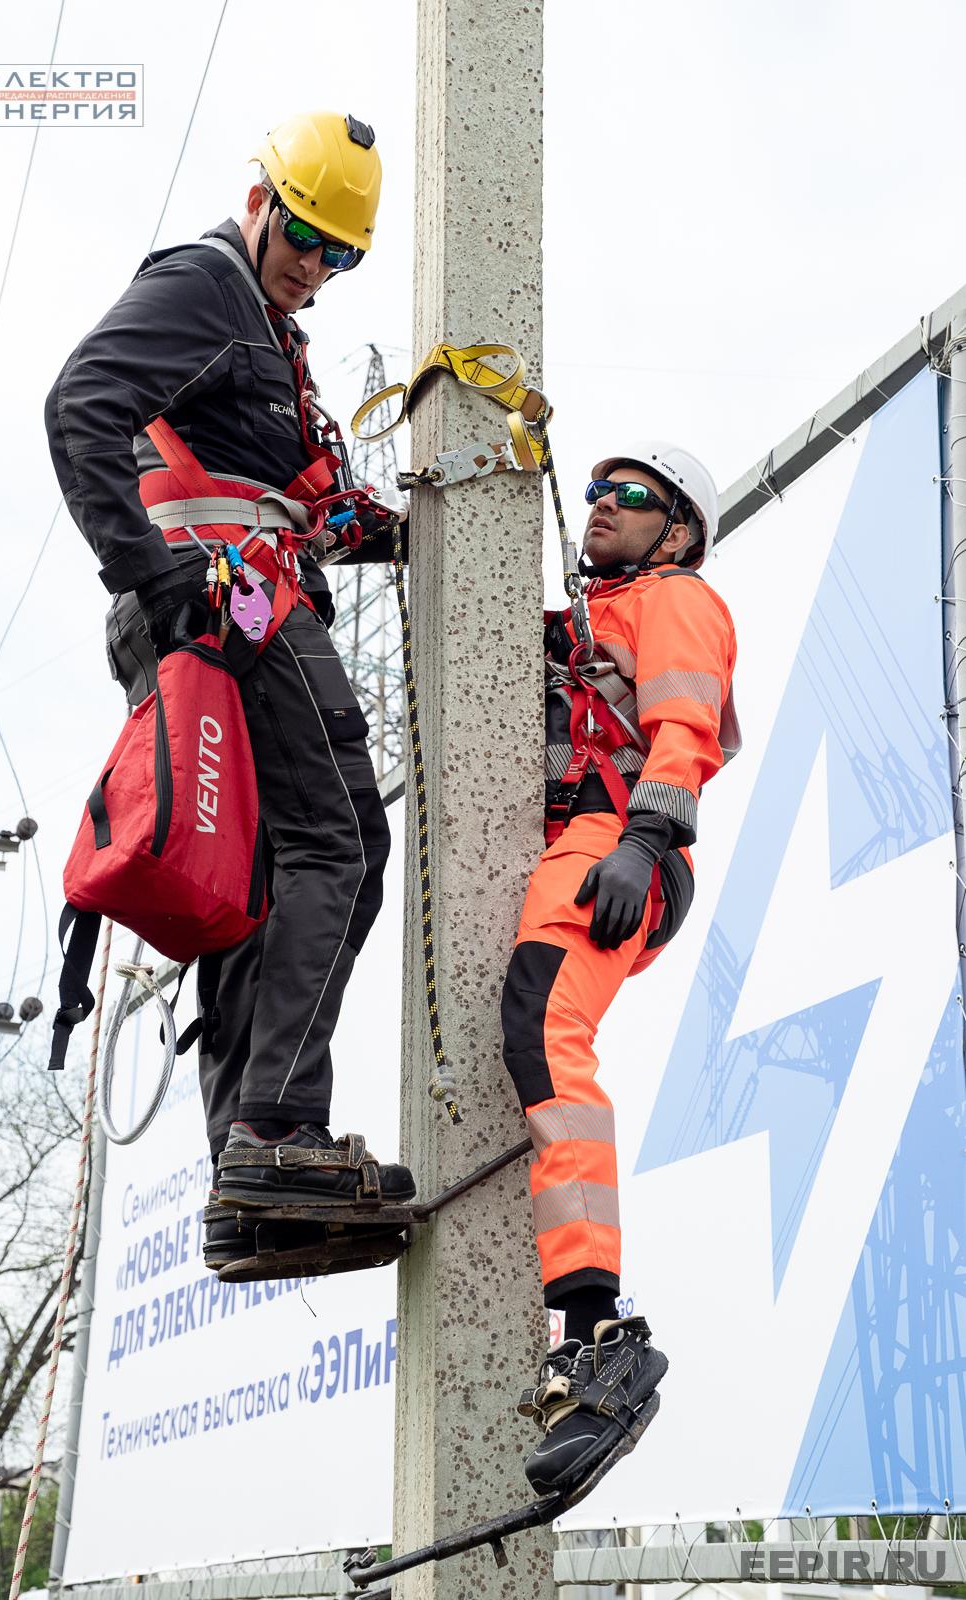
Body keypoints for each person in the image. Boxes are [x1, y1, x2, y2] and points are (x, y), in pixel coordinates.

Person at [45, 111, 415, 1269]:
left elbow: (293, 492)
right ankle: (278, 1129)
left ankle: (247, 1182)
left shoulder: (268, 331)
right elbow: (79, 406)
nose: (312, 265)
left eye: (337, 253)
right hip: (228, 609)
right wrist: (151, 579)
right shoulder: (207, 285)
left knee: (255, 884)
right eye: (302, 233)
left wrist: (435, 525)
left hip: (227, 605)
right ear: (259, 197)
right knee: (342, 839)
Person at [500, 442, 741, 1497]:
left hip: (616, 838)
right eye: (594, 491)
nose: (601, 504)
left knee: (545, 1028)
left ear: (675, 528)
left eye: (630, 495)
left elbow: (682, 727)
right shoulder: (588, 621)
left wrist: (645, 838)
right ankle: (584, 1334)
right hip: (582, 841)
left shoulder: (674, 595)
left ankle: (596, 1330)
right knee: (529, 1034)